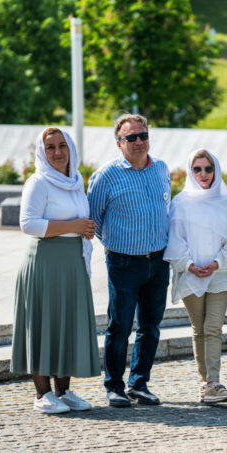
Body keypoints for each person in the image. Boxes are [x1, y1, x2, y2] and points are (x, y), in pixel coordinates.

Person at [12, 127, 101, 413]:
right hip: (45, 262)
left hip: (71, 262)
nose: (58, 152)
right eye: (50, 147)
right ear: (42, 152)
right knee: (43, 323)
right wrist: (75, 226)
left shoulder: (75, 181)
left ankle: (63, 392)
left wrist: (85, 228)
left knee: (66, 324)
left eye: (62, 145)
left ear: (71, 148)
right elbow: (29, 224)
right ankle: (42, 394)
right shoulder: (38, 182)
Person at [88, 114, 171, 408]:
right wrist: (117, 245)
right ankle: (114, 386)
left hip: (159, 261)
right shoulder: (106, 175)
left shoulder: (161, 169)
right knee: (120, 325)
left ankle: (139, 383)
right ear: (118, 143)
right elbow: (93, 219)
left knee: (151, 326)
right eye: (131, 137)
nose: (139, 142)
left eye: (143, 135)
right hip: (124, 263)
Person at [164, 149, 227, 404]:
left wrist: (216, 263)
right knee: (199, 329)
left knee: (213, 327)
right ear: (190, 170)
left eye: (208, 169)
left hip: (219, 272)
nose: (203, 174)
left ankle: (213, 382)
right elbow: (174, 239)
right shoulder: (180, 202)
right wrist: (189, 265)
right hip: (190, 274)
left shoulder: (224, 199)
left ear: (216, 170)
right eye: (197, 169)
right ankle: (205, 383)